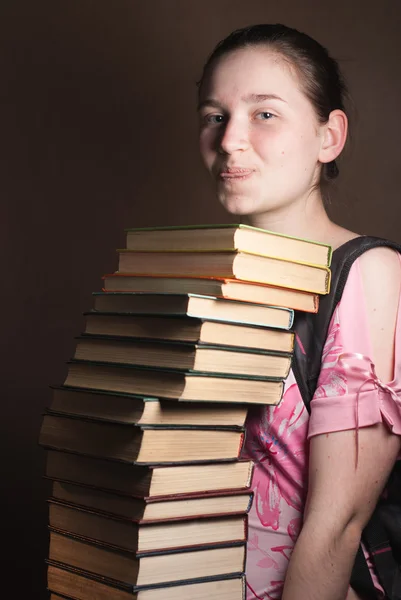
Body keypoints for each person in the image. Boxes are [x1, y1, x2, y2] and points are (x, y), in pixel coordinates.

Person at [196, 24, 401, 600]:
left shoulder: (370, 274)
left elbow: (336, 528)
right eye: (215, 116)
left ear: (328, 136)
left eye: (264, 114)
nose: (231, 140)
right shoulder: (208, 278)